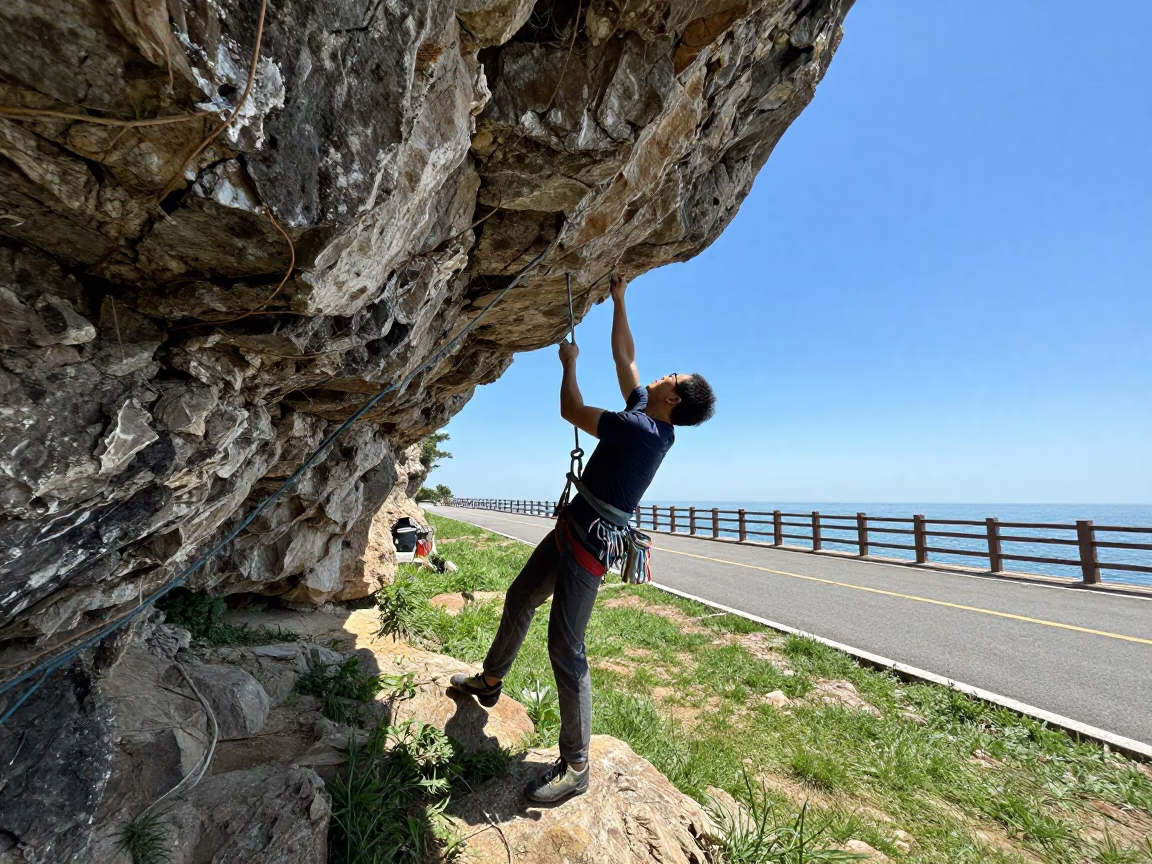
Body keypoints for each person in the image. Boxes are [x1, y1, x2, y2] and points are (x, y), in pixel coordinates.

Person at [449, 274, 716, 803]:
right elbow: (626, 361)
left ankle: (577, 766)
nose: (661, 375)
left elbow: (571, 411)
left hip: (588, 545)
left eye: (671, 377)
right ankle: (489, 681)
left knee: (566, 647)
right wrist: (619, 300)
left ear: (674, 401)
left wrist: (569, 365)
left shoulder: (641, 430)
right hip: (576, 524)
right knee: (520, 595)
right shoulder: (645, 413)